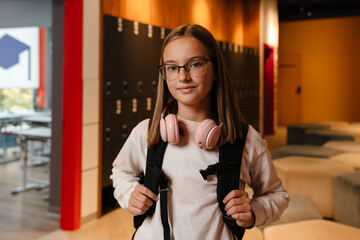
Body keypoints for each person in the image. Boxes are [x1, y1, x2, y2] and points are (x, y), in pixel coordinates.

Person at [111, 24, 289, 240]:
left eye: (195, 64)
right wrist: (130, 194)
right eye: (172, 68)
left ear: (215, 70)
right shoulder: (147, 132)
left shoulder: (245, 139)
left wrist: (253, 212)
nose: (183, 77)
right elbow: (121, 172)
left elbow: (276, 195)